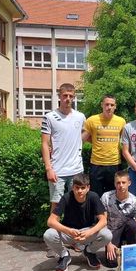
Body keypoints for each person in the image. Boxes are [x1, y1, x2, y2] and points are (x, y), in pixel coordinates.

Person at [43, 173, 112, 271]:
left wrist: (89, 232)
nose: (80, 191)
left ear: (88, 188)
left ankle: (89, 251)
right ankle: (64, 255)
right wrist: (68, 231)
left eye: (83, 188)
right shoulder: (66, 197)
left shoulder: (93, 197)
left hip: (88, 231)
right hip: (69, 232)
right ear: (73, 187)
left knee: (107, 235)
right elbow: (51, 221)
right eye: (77, 188)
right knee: (48, 234)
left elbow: (103, 220)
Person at [41, 83, 86, 212]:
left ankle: (75, 226)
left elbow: (87, 133)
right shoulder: (49, 117)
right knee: (56, 205)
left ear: (74, 97)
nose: (68, 98)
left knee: (78, 204)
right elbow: (44, 144)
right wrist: (48, 168)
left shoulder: (80, 117)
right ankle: (53, 226)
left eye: (71, 96)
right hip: (57, 171)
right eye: (65, 95)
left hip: (76, 169)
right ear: (59, 96)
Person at [100, 170, 136, 268]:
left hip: (128, 230)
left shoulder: (135, 201)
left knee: (133, 224)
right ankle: (118, 246)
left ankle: (131, 248)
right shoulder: (106, 197)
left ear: (129, 183)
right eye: (118, 183)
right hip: (112, 231)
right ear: (114, 184)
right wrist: (108, 243)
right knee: (112, 263)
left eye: (123, 182)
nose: (121, 185)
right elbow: (102, 222)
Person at [84, 95, 126, 196]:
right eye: (107, 104)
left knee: (114, 195)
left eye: (112, 105)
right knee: (95, 195)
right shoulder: (91, 120)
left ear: (115, 106)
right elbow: (84, 137)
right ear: (102, 105)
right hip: (96, 164)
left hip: (114, 164)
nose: (109, 107)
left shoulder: (121, 121)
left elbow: (124, 140)